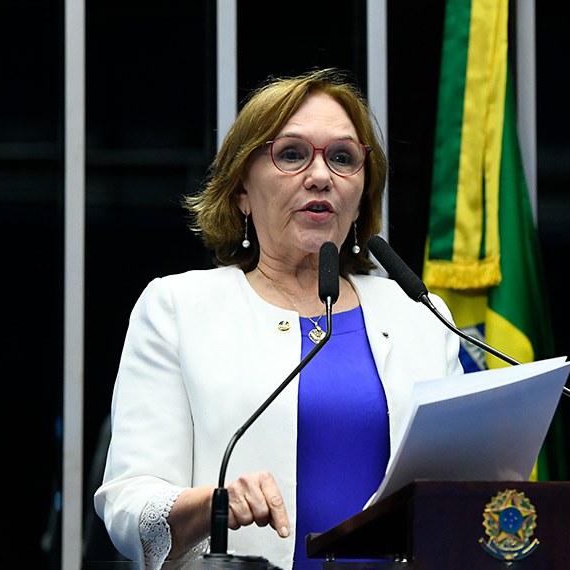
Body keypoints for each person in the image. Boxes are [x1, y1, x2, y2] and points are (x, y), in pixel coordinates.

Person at [94, 67, 464, 569]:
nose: (320, 176)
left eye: (342, 158)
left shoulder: (420, 314)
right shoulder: (178, 309)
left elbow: (465, 485)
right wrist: (213, 503)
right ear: (241, 190)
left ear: (361, 195)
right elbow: (128, 502)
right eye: (291, 154)